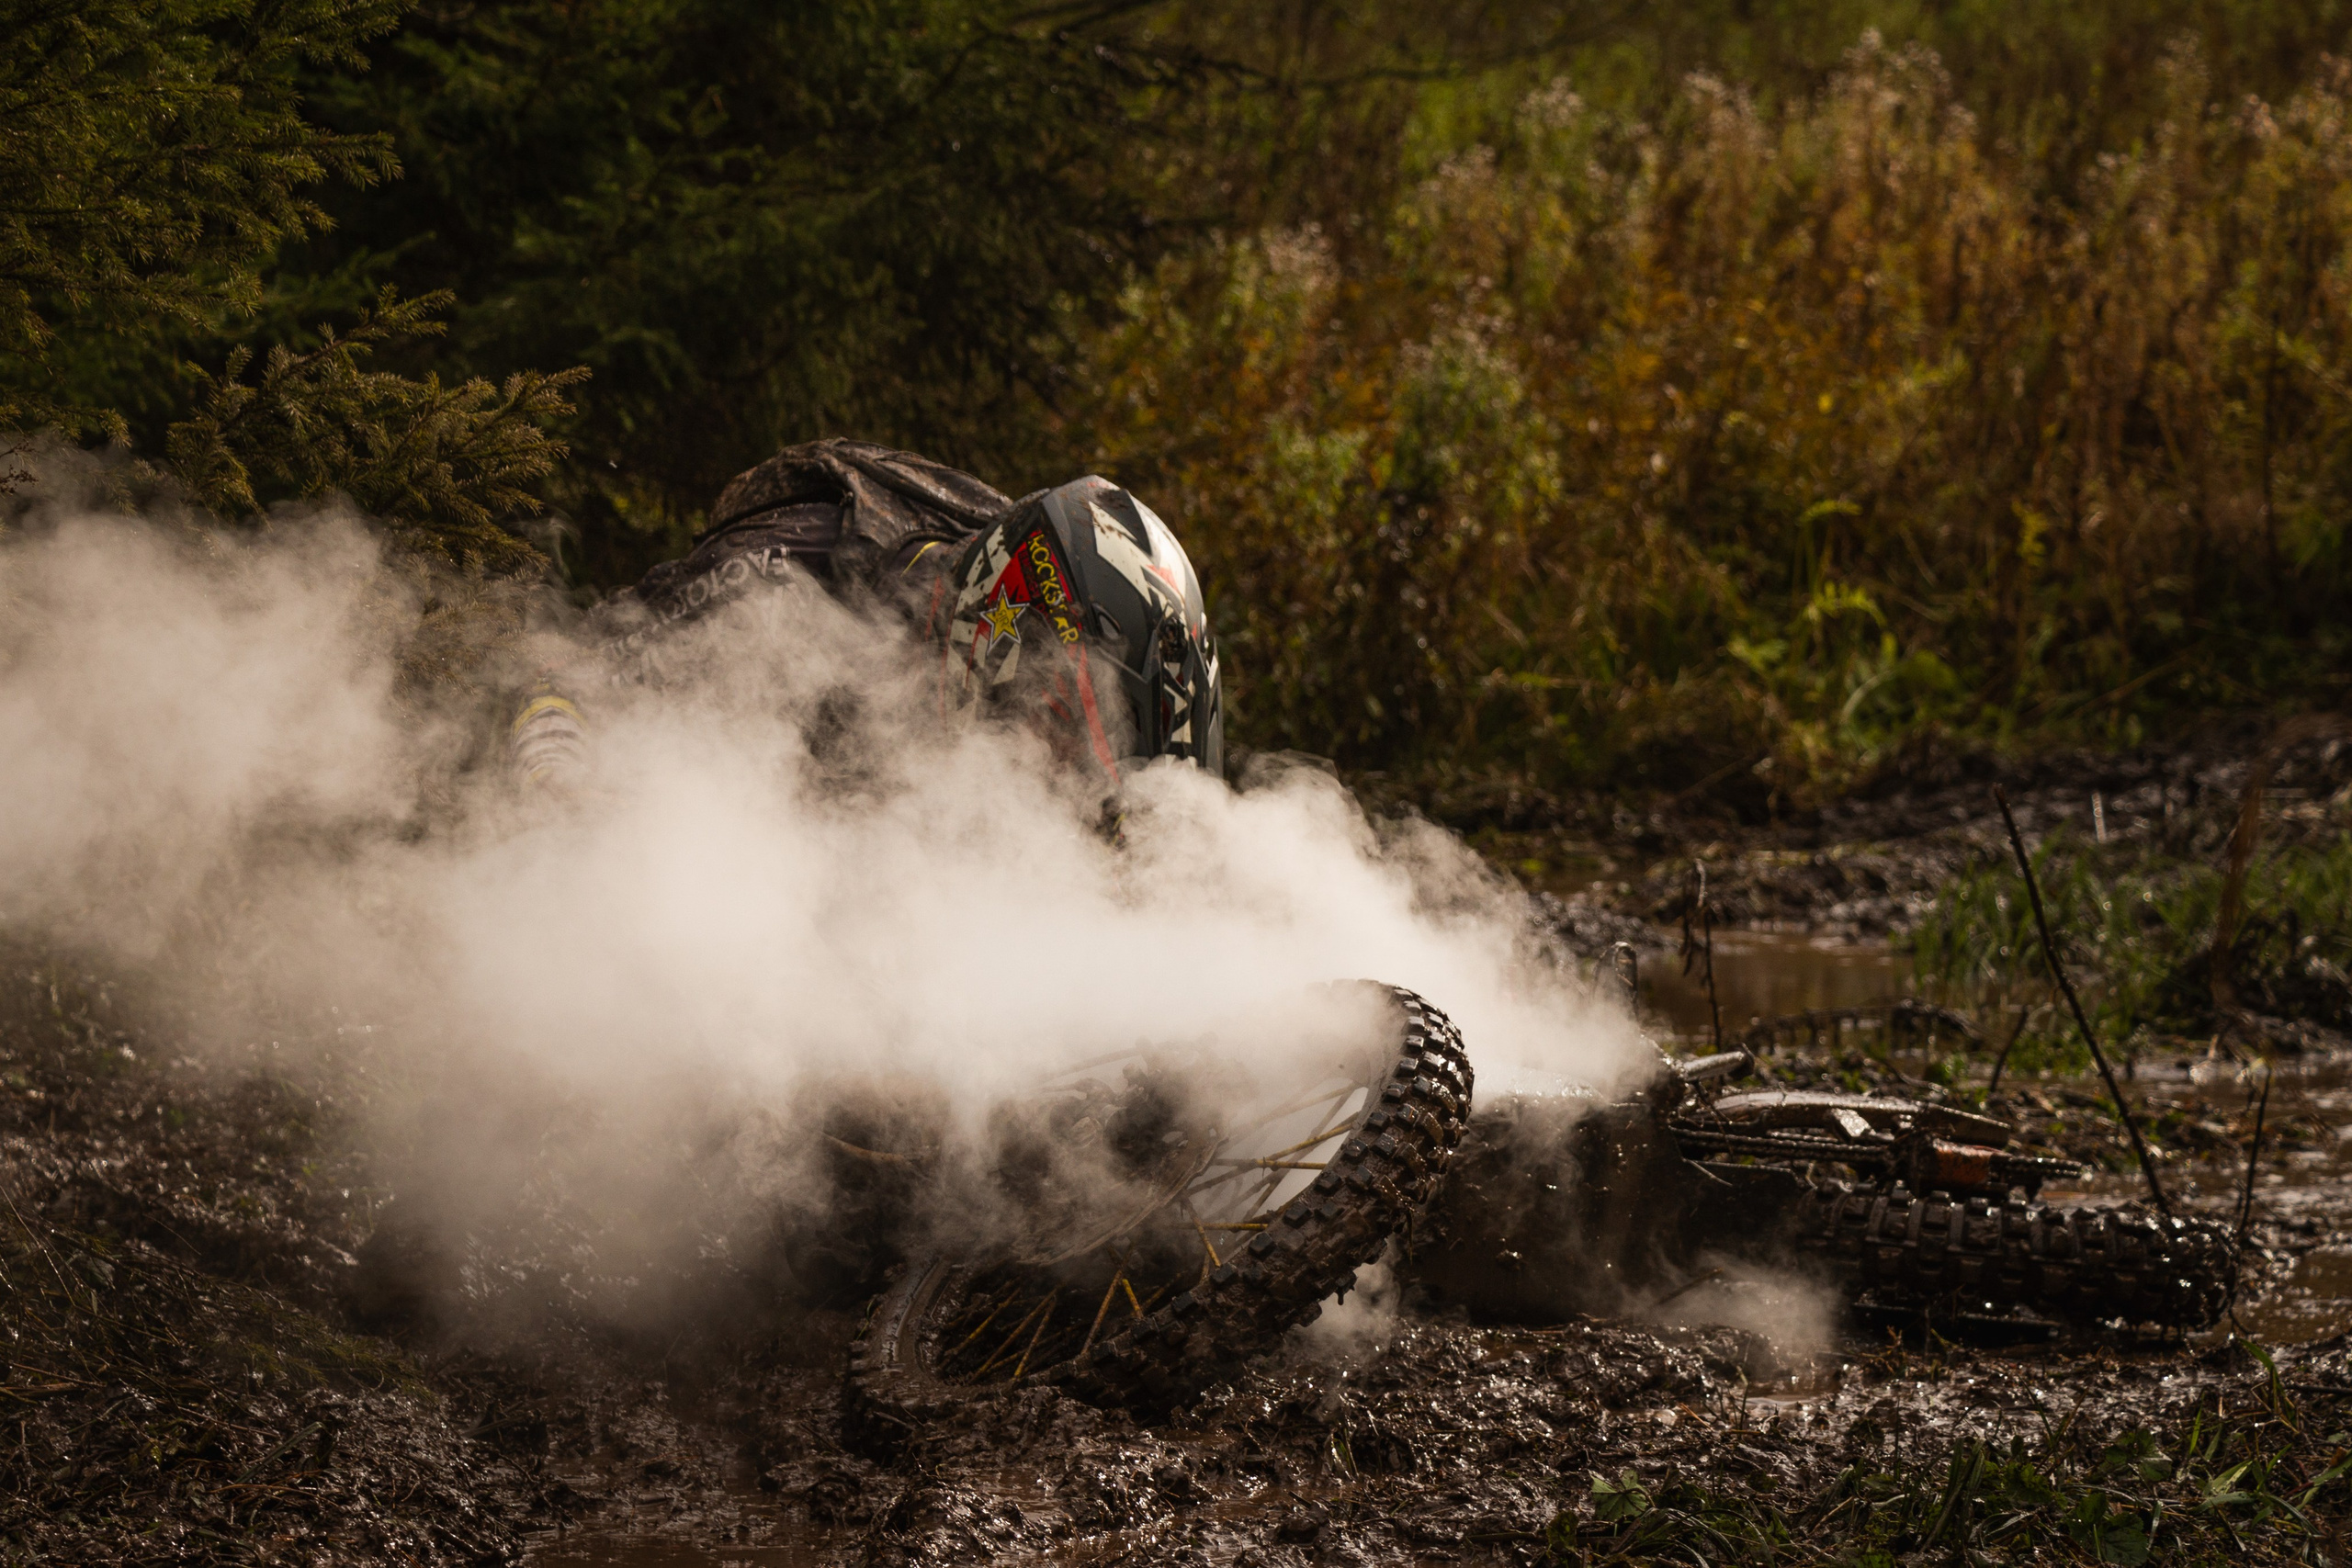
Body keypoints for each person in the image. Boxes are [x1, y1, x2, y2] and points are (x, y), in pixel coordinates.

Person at [506, 438, 1224, 792]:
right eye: (1058, 732)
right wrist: (560, 798)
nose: (1057, 773)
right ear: (1003, 632)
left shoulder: (1018, 579)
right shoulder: (780, 581)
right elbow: (565, 674)